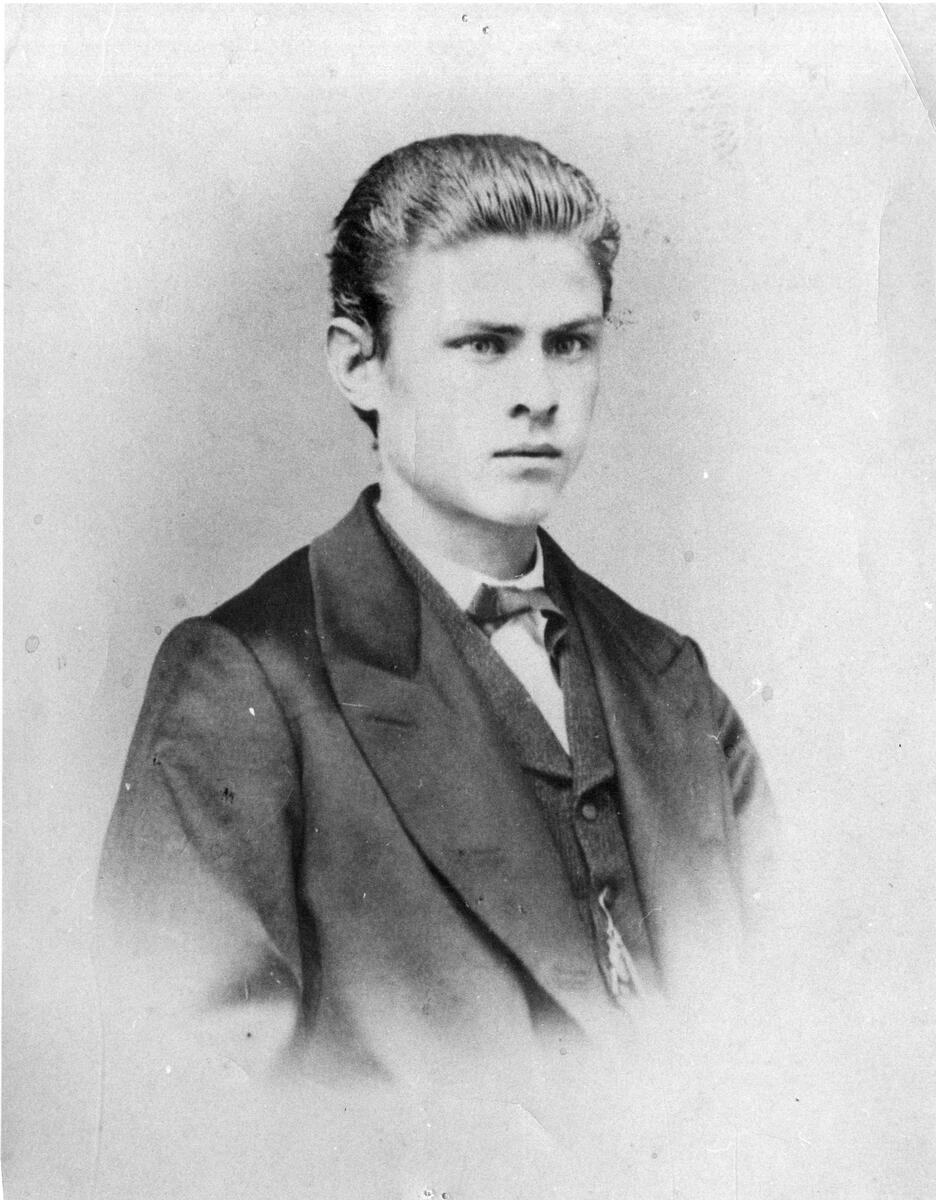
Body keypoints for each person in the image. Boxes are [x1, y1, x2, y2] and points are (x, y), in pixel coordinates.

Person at [97, 134, 773, 1106]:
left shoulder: (675, 683)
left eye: (570, 342)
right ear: (359, 365)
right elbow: (182, 1123)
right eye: (484, 344)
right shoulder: (247, 683)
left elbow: (792, 1059)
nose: (538, 395)